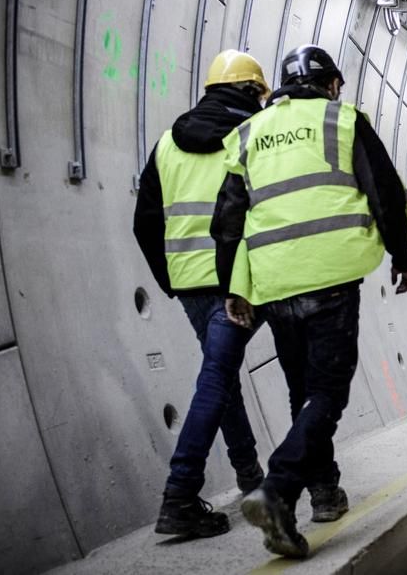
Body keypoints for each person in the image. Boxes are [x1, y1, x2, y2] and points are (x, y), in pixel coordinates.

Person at [211, 44, 407, 558]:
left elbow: (228, 222)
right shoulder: (343, 119)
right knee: (327, 393)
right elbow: (384, 190)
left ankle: (324, 493)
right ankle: (277, 491)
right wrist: (401, 254)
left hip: (274, 283)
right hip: (331, 275)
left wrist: (233, 289)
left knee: (302, 391)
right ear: (330, 85)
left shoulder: (248, 133)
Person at [132, 49, 271, 537]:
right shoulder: (254, 134)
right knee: (217, 375)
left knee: (221, 372)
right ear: (253, 92)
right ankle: (180, 495)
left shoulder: (167, 142)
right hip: (241, 282)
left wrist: (170, 278)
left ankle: (252, 478)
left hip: (189, 282)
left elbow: (145, 220)